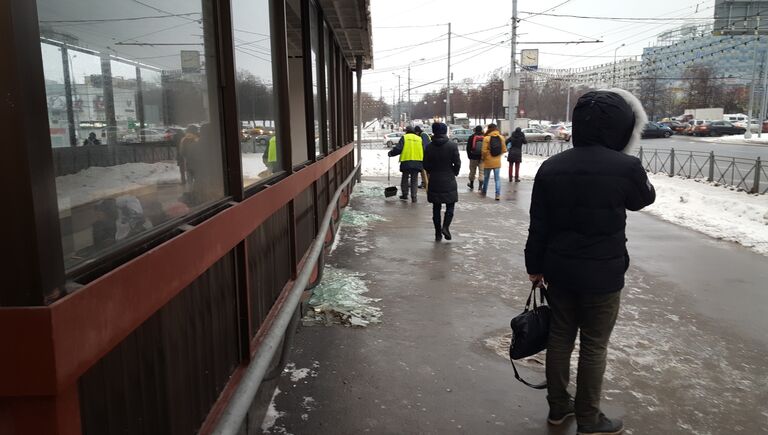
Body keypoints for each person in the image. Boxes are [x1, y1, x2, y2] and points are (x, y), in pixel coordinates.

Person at [524, 89, 656, 435]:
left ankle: (558, 408)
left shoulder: (551, 167)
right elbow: (643, 200)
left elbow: (538, 223)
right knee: (594, 345)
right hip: (604, 273)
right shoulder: (625, 166)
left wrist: (534, 267)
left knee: (560, 338)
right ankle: (589, 418)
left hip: (560, 271)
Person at [423, 122, 460, 241]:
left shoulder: (429, 146)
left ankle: (437, 233)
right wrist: (454, 171)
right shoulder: (452, 146)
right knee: (450, 205)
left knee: (436, 208)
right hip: (449, 178)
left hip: (435, 179)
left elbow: (426, 164)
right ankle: (446, 227)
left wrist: (432, 171)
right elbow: (457, 162)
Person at [388, 126, 424, 202]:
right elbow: (424, 150)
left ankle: (405, 194)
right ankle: (414, 197)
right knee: (414, 180)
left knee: (405, 178)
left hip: (406, 161)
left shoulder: (405, 137)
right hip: (418, 161)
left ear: (407, 131)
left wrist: (391, 153)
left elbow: (398, 149)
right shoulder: (419, 138)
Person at [480, 123, 506, 200]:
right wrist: (498, 154)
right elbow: (504, 149)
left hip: (488, 161)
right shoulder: (501, 137)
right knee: (497, 179)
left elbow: (484, 151)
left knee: (486, 178)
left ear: (489, 129)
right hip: (497, 161)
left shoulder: (486, 138)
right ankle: (497, 195)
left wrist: (484, 158)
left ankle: (484, 192)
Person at [466, 126, 485, 190]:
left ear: (475, 130)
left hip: (473, 157)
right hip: (482, 158)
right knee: (481, 172)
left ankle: (471, 184)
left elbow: (468, 148)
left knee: (472, 171)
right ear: (481, 130)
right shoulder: (484, 137)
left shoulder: (471, 137)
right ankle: (480, 186)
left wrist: (469, 156)